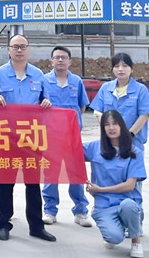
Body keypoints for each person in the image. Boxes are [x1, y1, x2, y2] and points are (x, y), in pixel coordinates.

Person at [0, 34, 56, 242]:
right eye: (15, 47)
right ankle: (3, 224)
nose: (19, 50)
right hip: (6, 138)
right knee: (6, 183)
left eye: (23, 46)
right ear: (9, 50)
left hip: (31, 139)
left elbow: (46, 101)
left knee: (32, 184)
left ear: (28, 49)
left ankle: (36, 226)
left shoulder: (38, 75)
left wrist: (46, 103)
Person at [84, 110, 146, 258]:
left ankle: (136, 241)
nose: (111, 128)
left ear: (122, 126)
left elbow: (130, 185)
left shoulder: (134, 152)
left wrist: (100, 189)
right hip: (104, 206)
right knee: (114, 238)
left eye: (115, 123)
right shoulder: (95, 148)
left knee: (129, 206)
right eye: (107, 124)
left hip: (126, 202)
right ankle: (112, 229)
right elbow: (70, 150)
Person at [42, 45, 92, 227]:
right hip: (51, 137)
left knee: (76, 174)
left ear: (70, 61)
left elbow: (82, 106)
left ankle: (80, 212)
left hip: (72, 137)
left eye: (64, 57)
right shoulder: (44, 81)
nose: (60, 60)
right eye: (57, 57)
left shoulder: (76, 81)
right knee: (51, 174)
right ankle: (50, 210)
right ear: (51, 61)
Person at [90, 53, 149, 152]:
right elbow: (98, 112)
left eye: (124, 66)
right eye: (116, 66)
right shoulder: (105, 88)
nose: (120, 69)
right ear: (112, 69)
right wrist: (109, 130)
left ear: (131, 69)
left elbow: (144, 115)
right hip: (109, 142)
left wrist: (129, 135)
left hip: (133, 141)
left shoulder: (141, 89)